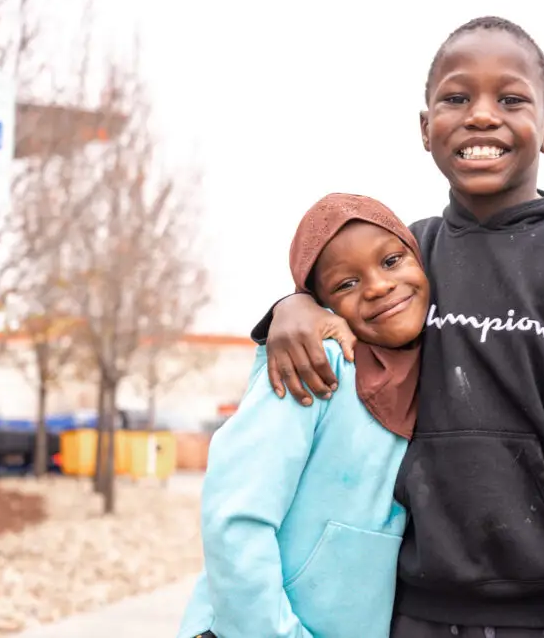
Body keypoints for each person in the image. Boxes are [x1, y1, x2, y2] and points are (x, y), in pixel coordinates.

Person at [251, 16, 544, 638]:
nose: (481, 115)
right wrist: (292, 308)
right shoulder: (410, 259)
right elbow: (340, 295)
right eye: (455, 97)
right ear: (425, 129)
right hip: (410, 611)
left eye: (510, 98)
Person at [177, 193, 430, 638]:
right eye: (345, 284)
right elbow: (235, 519)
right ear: (321, 304)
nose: (377, 286)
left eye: (391, 260)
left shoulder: (433, 371)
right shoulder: (314, 365)